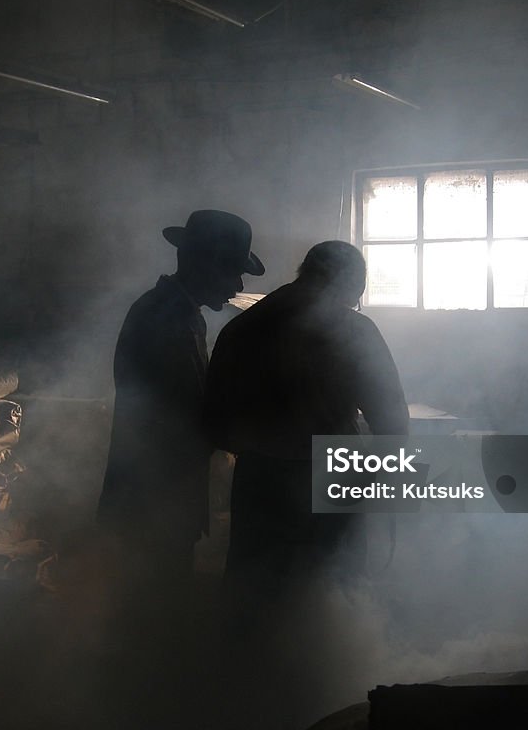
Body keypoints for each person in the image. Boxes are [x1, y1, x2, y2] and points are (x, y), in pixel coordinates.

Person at [204, 239, 409, 615]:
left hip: (260, 481)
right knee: (330, 593)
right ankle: (322, 668)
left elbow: (215, 424)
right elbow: (392, 419)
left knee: (255, 596)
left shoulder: (243, 328)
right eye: (354, 297)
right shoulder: (355, 331)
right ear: (348, 284)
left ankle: (239, 670)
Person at [96, 209, 264, 603]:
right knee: (154, 605)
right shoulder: (167, 319)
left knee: (153, 600)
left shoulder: (175, 311)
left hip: (157, 494)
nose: (237, 285)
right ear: (205, 264)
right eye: (233, 272)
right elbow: (184, 415)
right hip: (153, 498)